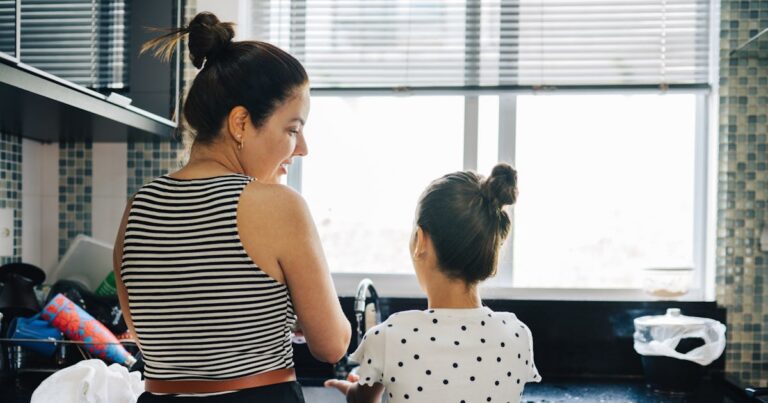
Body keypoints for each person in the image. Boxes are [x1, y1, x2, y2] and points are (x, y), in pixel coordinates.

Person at [112, 12, 350, 402]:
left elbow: (143, 331)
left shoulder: (137, 207)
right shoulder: (279, 205)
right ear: (240, 123)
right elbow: (331, 345)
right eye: (292, 129)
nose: (302, 148)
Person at [325, 163, 539, 402]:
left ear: (420, 240)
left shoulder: (389, 337)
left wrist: (354, 390)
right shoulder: (518, 335)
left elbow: (364, 400)